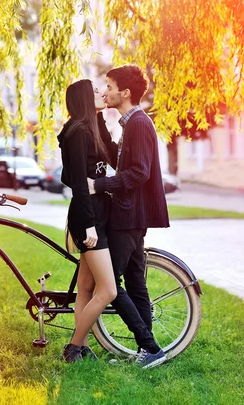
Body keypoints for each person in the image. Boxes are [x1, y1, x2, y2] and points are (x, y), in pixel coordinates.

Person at [88, 64, 170, 370]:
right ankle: (147, 350)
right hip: (132, 214)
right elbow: (114, 156)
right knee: (135, 281)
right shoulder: (130, 123)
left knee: (110, 283)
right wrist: (96, 115)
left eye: (109, 86)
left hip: (129, 214)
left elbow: (138, 173)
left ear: (125, 92)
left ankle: (150, 347)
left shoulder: (138, 123)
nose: (105, 91)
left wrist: (98, 185)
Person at [58, 79, 117, 363]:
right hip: (88, 217)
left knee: (86, 287)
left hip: (97, 213)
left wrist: (102, 118)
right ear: (83, 97)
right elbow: (78, 183)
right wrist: (89, 224)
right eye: (96, 91)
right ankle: (74, 346)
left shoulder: (90, 127)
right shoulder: (78, 132)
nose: (102, 93)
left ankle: (78, 348)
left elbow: (115, 159)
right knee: (108, 290)